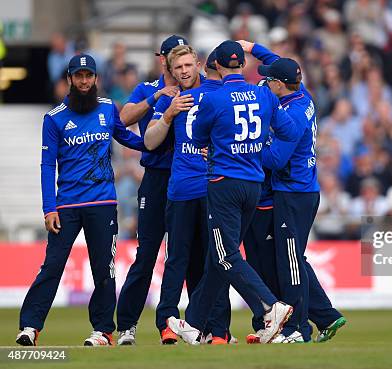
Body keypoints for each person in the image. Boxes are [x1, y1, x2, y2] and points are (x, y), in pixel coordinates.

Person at [166, 40, 299, 345]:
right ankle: (195, 324)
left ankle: (270, 306)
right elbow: (290, 132)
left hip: (223, 183)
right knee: (219, 256)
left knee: (225, 255)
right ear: (242, 65)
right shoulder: (264, 94)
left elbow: (197, 136)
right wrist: (257, 148)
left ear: (217, 66)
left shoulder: (214, 98)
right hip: (254, 184)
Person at [16, 54, 148, 346]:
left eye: (89, 76)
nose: (85, 81)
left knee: (104, 268)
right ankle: (30, 326)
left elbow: (126, 138)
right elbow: (47, 165)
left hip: (102, 203)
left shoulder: (106, 109)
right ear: (70, 79)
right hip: (67, 205)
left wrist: (154, 147)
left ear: (97, 79)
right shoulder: (54, 118)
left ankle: (102, 331)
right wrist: (49, 208)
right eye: (79, 76)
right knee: (52, 266)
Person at [240, 40, 346, 343]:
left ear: (280, 86)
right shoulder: (299, 93)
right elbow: (279, 63)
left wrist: (244, 147)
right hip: (297, 190)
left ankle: (298, 328)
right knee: (291, 259)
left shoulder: (294, 114)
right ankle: (325, 315)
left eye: (268, 79)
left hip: (292, 192)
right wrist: (253, 46)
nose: (263, 81)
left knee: (290, 263)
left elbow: (275, 159)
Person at [144, 45, 231, 344]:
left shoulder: (216, 91)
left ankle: (217, 329)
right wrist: (167, 116)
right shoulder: (170, 98)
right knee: (175, 260)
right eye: (177, 66)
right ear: (170, 69)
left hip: (212, 189)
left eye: (188, 65)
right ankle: (167, 322)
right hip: (180, 190)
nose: (183, 71)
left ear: (198, 64)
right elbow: (150, 141)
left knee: (215, 260)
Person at [115, 35, 185, 345]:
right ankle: (127, 325)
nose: (175, 62)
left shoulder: (194, 89)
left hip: (187, 176)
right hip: (157, 177)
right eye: (170, 56)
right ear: (162, 59)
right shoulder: (148, 89)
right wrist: (156, 99)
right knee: (146, 254)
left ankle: (198, 326)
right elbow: (124, 118)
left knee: (188, 254)